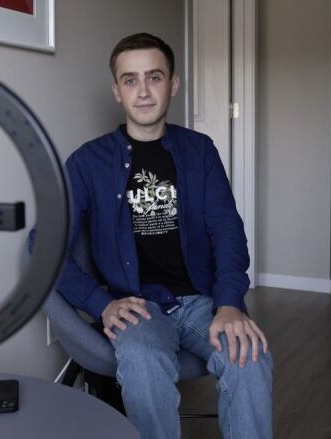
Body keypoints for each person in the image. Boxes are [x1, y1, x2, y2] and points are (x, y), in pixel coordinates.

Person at [57, 32, 273, 439]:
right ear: (116, 91)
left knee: (250, 355)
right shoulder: (88, 162)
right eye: (130, 80)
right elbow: (43, 245)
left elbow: (227, 230)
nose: (142, 92)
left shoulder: (200, 150)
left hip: (200, 301)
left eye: (154, 78)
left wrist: (229, 304)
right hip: (136, 304)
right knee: (140, 358)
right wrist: (100, 303)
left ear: (173, 84)